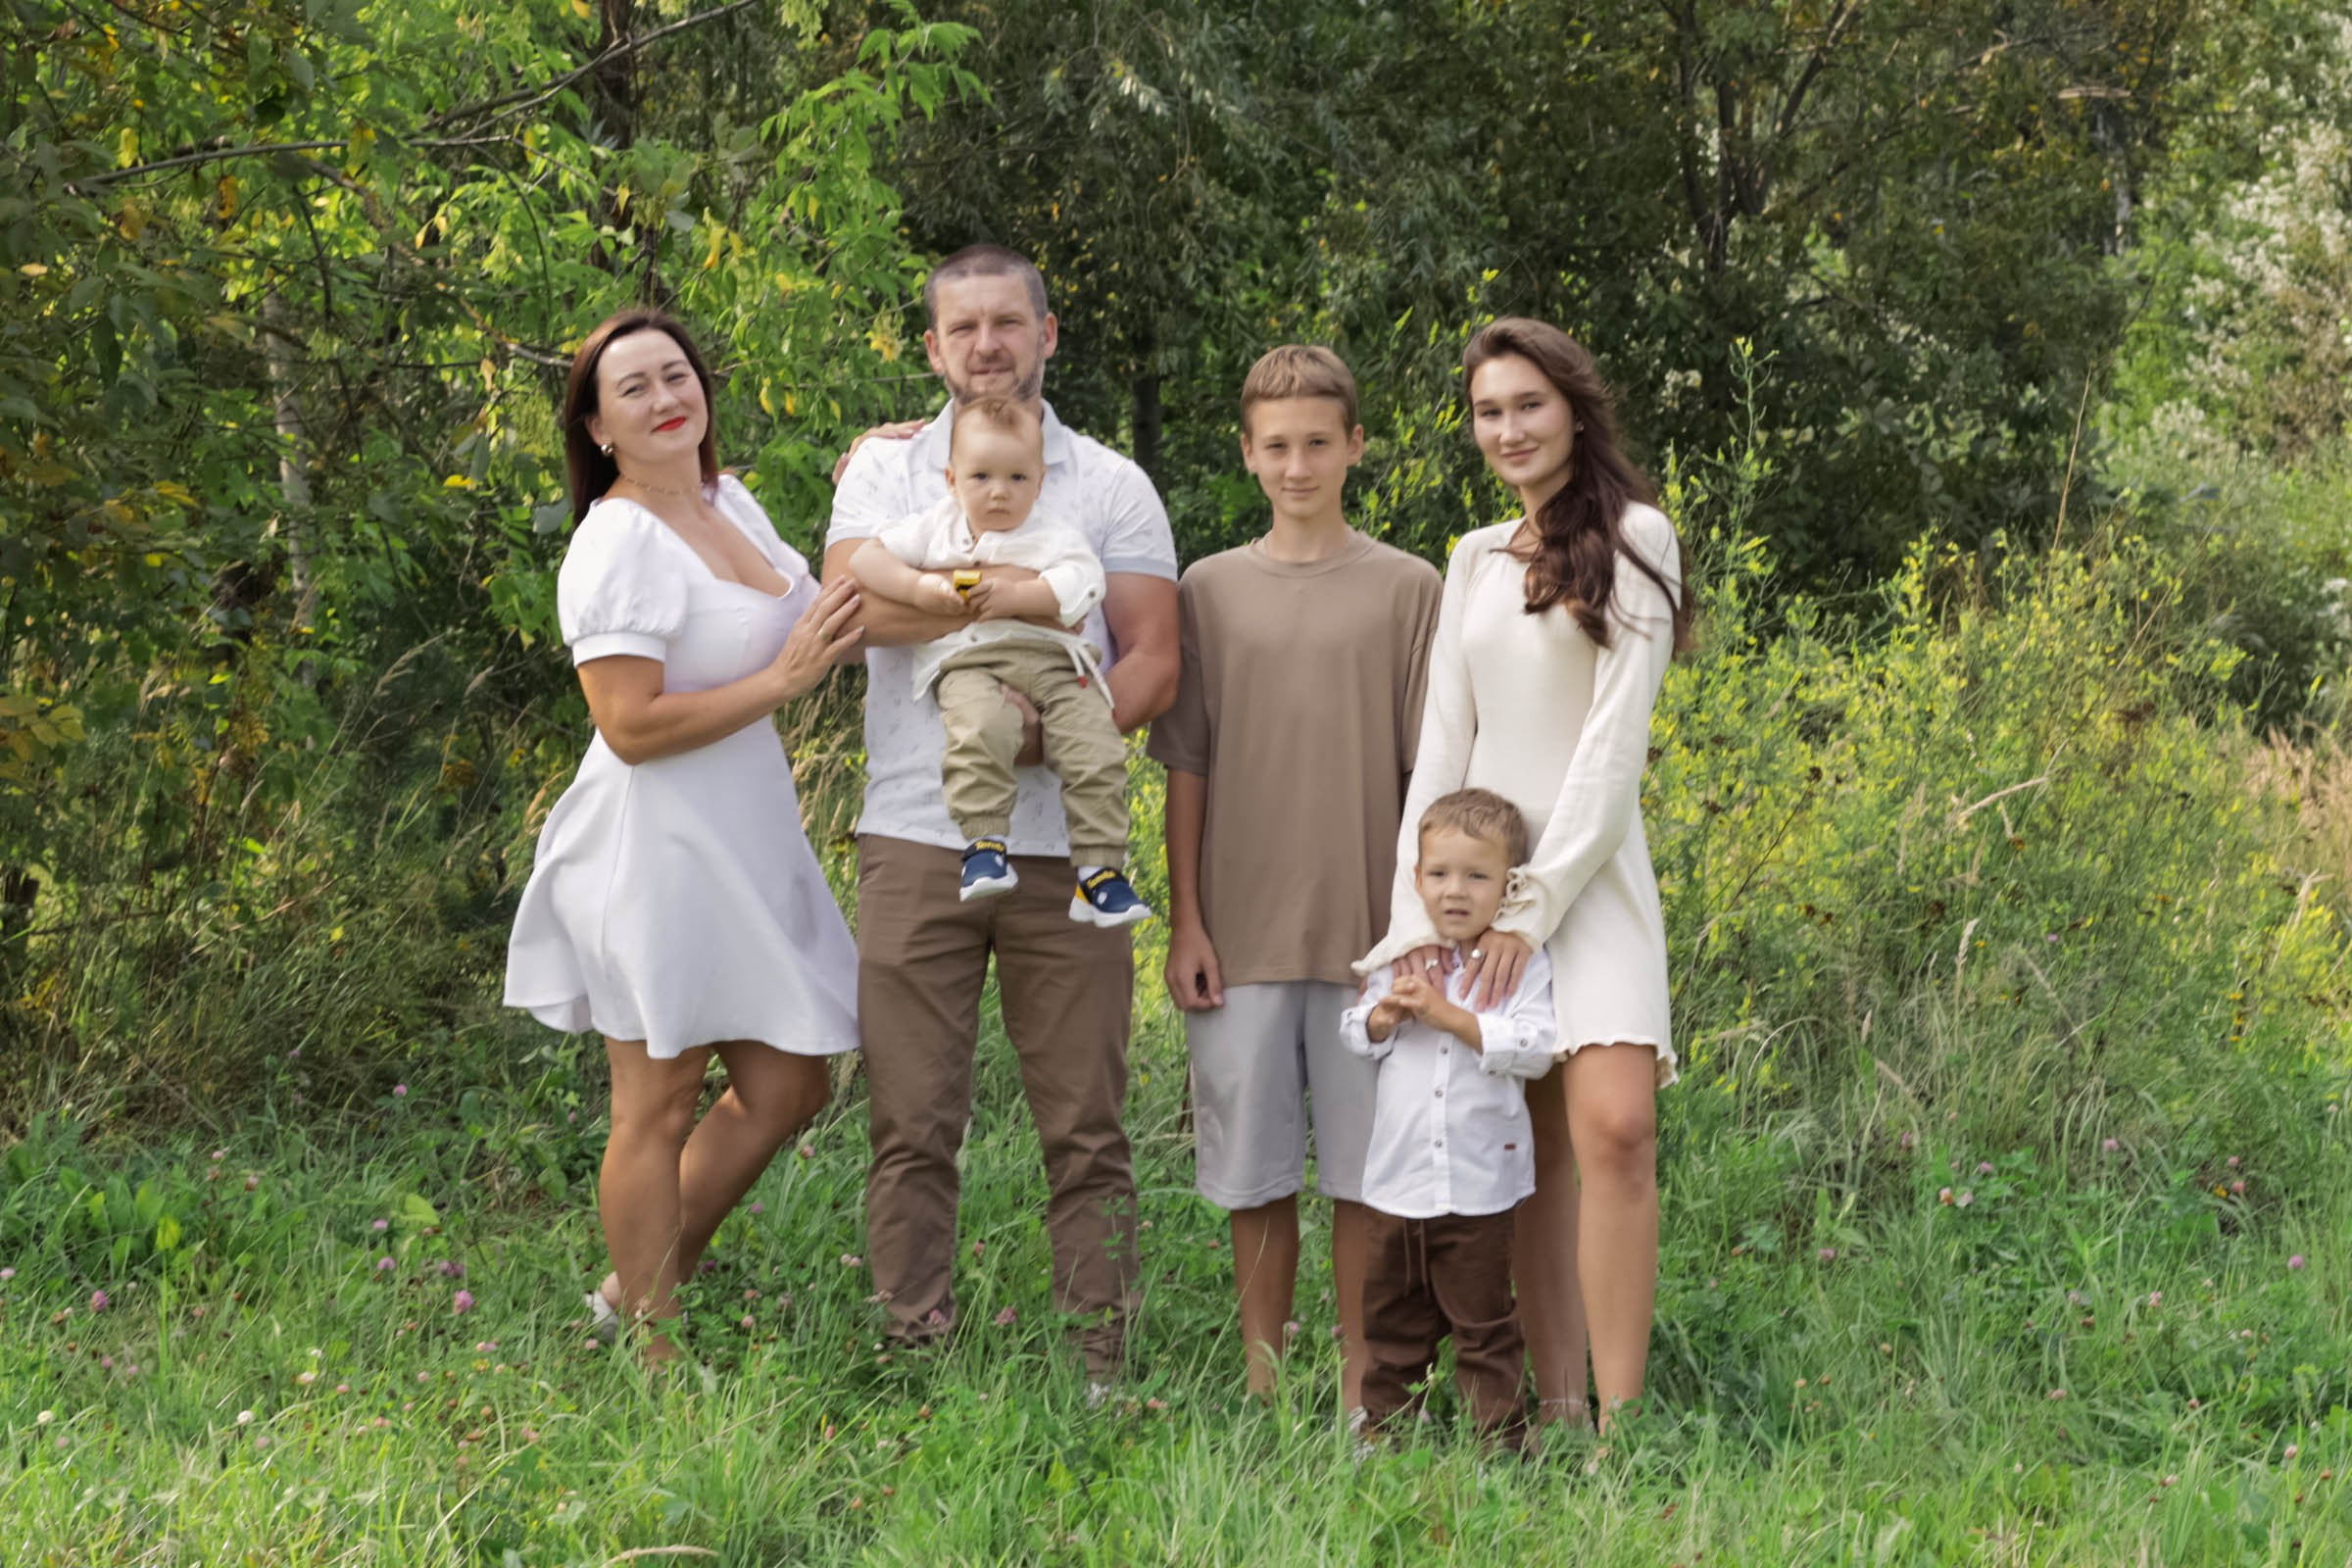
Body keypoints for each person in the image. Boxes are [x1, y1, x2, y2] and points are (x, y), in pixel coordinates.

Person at [824, 245, 1179, 1386]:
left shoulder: (1111, 484)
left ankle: (1099, 1363)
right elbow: (846, 610)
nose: (986, 345)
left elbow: (1154, 659)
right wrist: (993, 610)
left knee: (1086, 1127)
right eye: (961, 327)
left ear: (1047, 334)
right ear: (930, 348)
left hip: (1070, 851)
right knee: (912, 1119)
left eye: (1007, 324)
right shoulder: (888, 478)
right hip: (916, 833)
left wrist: (1047, 736)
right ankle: (912, 1350)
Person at [505, 308, 865, 1363]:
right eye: (635, 389)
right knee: (656, 1101)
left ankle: (630, 1288)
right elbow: (628, 724)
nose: (666, 399)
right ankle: (656, 1347)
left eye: (678, 376)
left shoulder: (730, 501)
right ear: (597, 426)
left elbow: (827, 602)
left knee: (794, 1081)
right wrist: (781, 682)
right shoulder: (615, 540)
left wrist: (895, 458)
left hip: (745, 831)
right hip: (652, 843)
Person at [1355, 317, 1690, 1433]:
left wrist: (1536, 905)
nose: (1508, 429)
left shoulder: (1638, 534)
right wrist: (1420, 916)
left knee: (1614, 1126)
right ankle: (1550, 1407)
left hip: (1585, 883)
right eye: (1489, 411)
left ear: (1575, 406)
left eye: (1528, 405)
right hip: (1476, 885)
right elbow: (1443, 745)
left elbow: (1613, 743)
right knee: (1532, 1145)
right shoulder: (1471, 557)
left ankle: (1622, 1429)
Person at [1149, 344, 1441, 1408]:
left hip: (1373, 937)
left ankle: (1367, 1386)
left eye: (1319, 441)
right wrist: (1187, 921)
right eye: (1277, 446)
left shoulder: (1411, 588)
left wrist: (1422, 930)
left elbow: (1432, 773)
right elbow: (1186, 764)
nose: (1299, 463)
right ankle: (1266, 1384)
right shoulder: (1209, 589)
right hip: (1242, 933)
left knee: (1366, 1178)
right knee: (1254, 1175)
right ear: (1248, 455)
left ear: (1356, 445)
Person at [848, 395, 1151, 925]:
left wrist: (1020, 597)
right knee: (980, 728)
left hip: (1054, 664)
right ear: (951, 479)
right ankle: (984, 844)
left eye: (1016, 478)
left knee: (1094, 744)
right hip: (969, 661)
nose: (998, 491)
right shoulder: (934, 529)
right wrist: (918, 588)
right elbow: (865, 559)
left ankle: (1100, 873)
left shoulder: (1053, 534)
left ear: (1039, 483)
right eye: (981, 476)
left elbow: (1084, 582)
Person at [1341, 790, 1557, 1447]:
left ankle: (1501, 1445)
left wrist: (1452, 1018)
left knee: (1485, 1324)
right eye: (1439, 874)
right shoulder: (1399, 959)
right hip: (1397, 1184)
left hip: (1477, 1188)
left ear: (1508, 887)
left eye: (1477, 876)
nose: (1455, 892)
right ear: (1416, 882)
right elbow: (1356, 1031)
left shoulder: (1521, 968)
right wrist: (1384, 1018)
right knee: (1392, 1324)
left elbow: (1536, 1050)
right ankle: (1385, 1437)